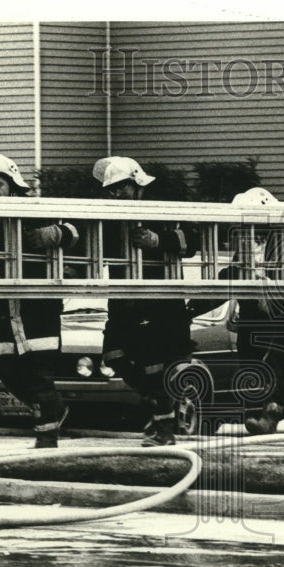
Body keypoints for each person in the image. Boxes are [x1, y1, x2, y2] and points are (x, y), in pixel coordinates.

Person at [0, 151, 80, 449]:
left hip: (38, 304)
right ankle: (54, 409)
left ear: (12, 183)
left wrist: (54, 233)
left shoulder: (37, 208)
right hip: (5, 305)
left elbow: (76, 230)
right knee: (2, 365)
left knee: (38, 372)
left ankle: (47, 439)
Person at [93, 156, 199, 446]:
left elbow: (192, 240)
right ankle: (160, 405)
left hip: (160, 303)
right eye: (111, 190)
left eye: (122, 189)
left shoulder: (163, 210)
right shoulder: (110, 220)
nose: (116, 196)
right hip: (124, 303)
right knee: (113, 355)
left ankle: (163, 431)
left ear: (137, 185)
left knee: (155, 365)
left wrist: (158, 240)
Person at [221, 187, 284, 437]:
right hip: (257, 324)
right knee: (274, 375)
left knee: (282, 370)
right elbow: (230, 273)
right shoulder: (248, 243)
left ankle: (271, 417)